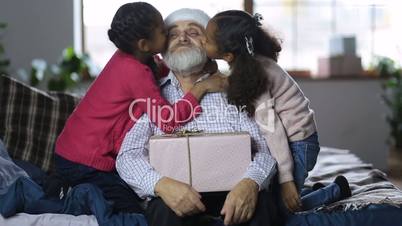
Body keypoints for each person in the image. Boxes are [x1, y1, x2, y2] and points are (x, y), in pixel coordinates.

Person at [53, 2, 226, 214]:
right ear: (145, 44)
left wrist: (199, 64)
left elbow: (160, 67)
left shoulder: (134, 58)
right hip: (85, 161)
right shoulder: (134, 72)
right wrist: (201, 88)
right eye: (166, 32)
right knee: (129, 212)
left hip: (74, 150)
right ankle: (63, 198)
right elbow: (168, 121)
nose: (177, 37)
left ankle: (73, 192)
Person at [116, 8, 278, 226]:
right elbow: (128, 156)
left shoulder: (236, 89)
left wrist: (251, 182)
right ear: (162, 47)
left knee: (263, 204)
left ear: (212, 45)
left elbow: (265, 149)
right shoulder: (150, 96)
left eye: (193, 32)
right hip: (174, 198)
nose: (182, 37)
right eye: (173, 34)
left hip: (234, 191)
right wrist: (161, 185)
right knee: (162, 212)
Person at [203, 9, 351, 215]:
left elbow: (273, 130)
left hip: (298, 143)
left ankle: (334, 192)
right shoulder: (248, 62)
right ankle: (310, 191)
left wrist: (286, 179)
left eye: (206, 40)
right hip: (291, 139)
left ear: (228, 55)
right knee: (272, 198)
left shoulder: (254, 76)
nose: (202, 41)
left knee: (277, 210)